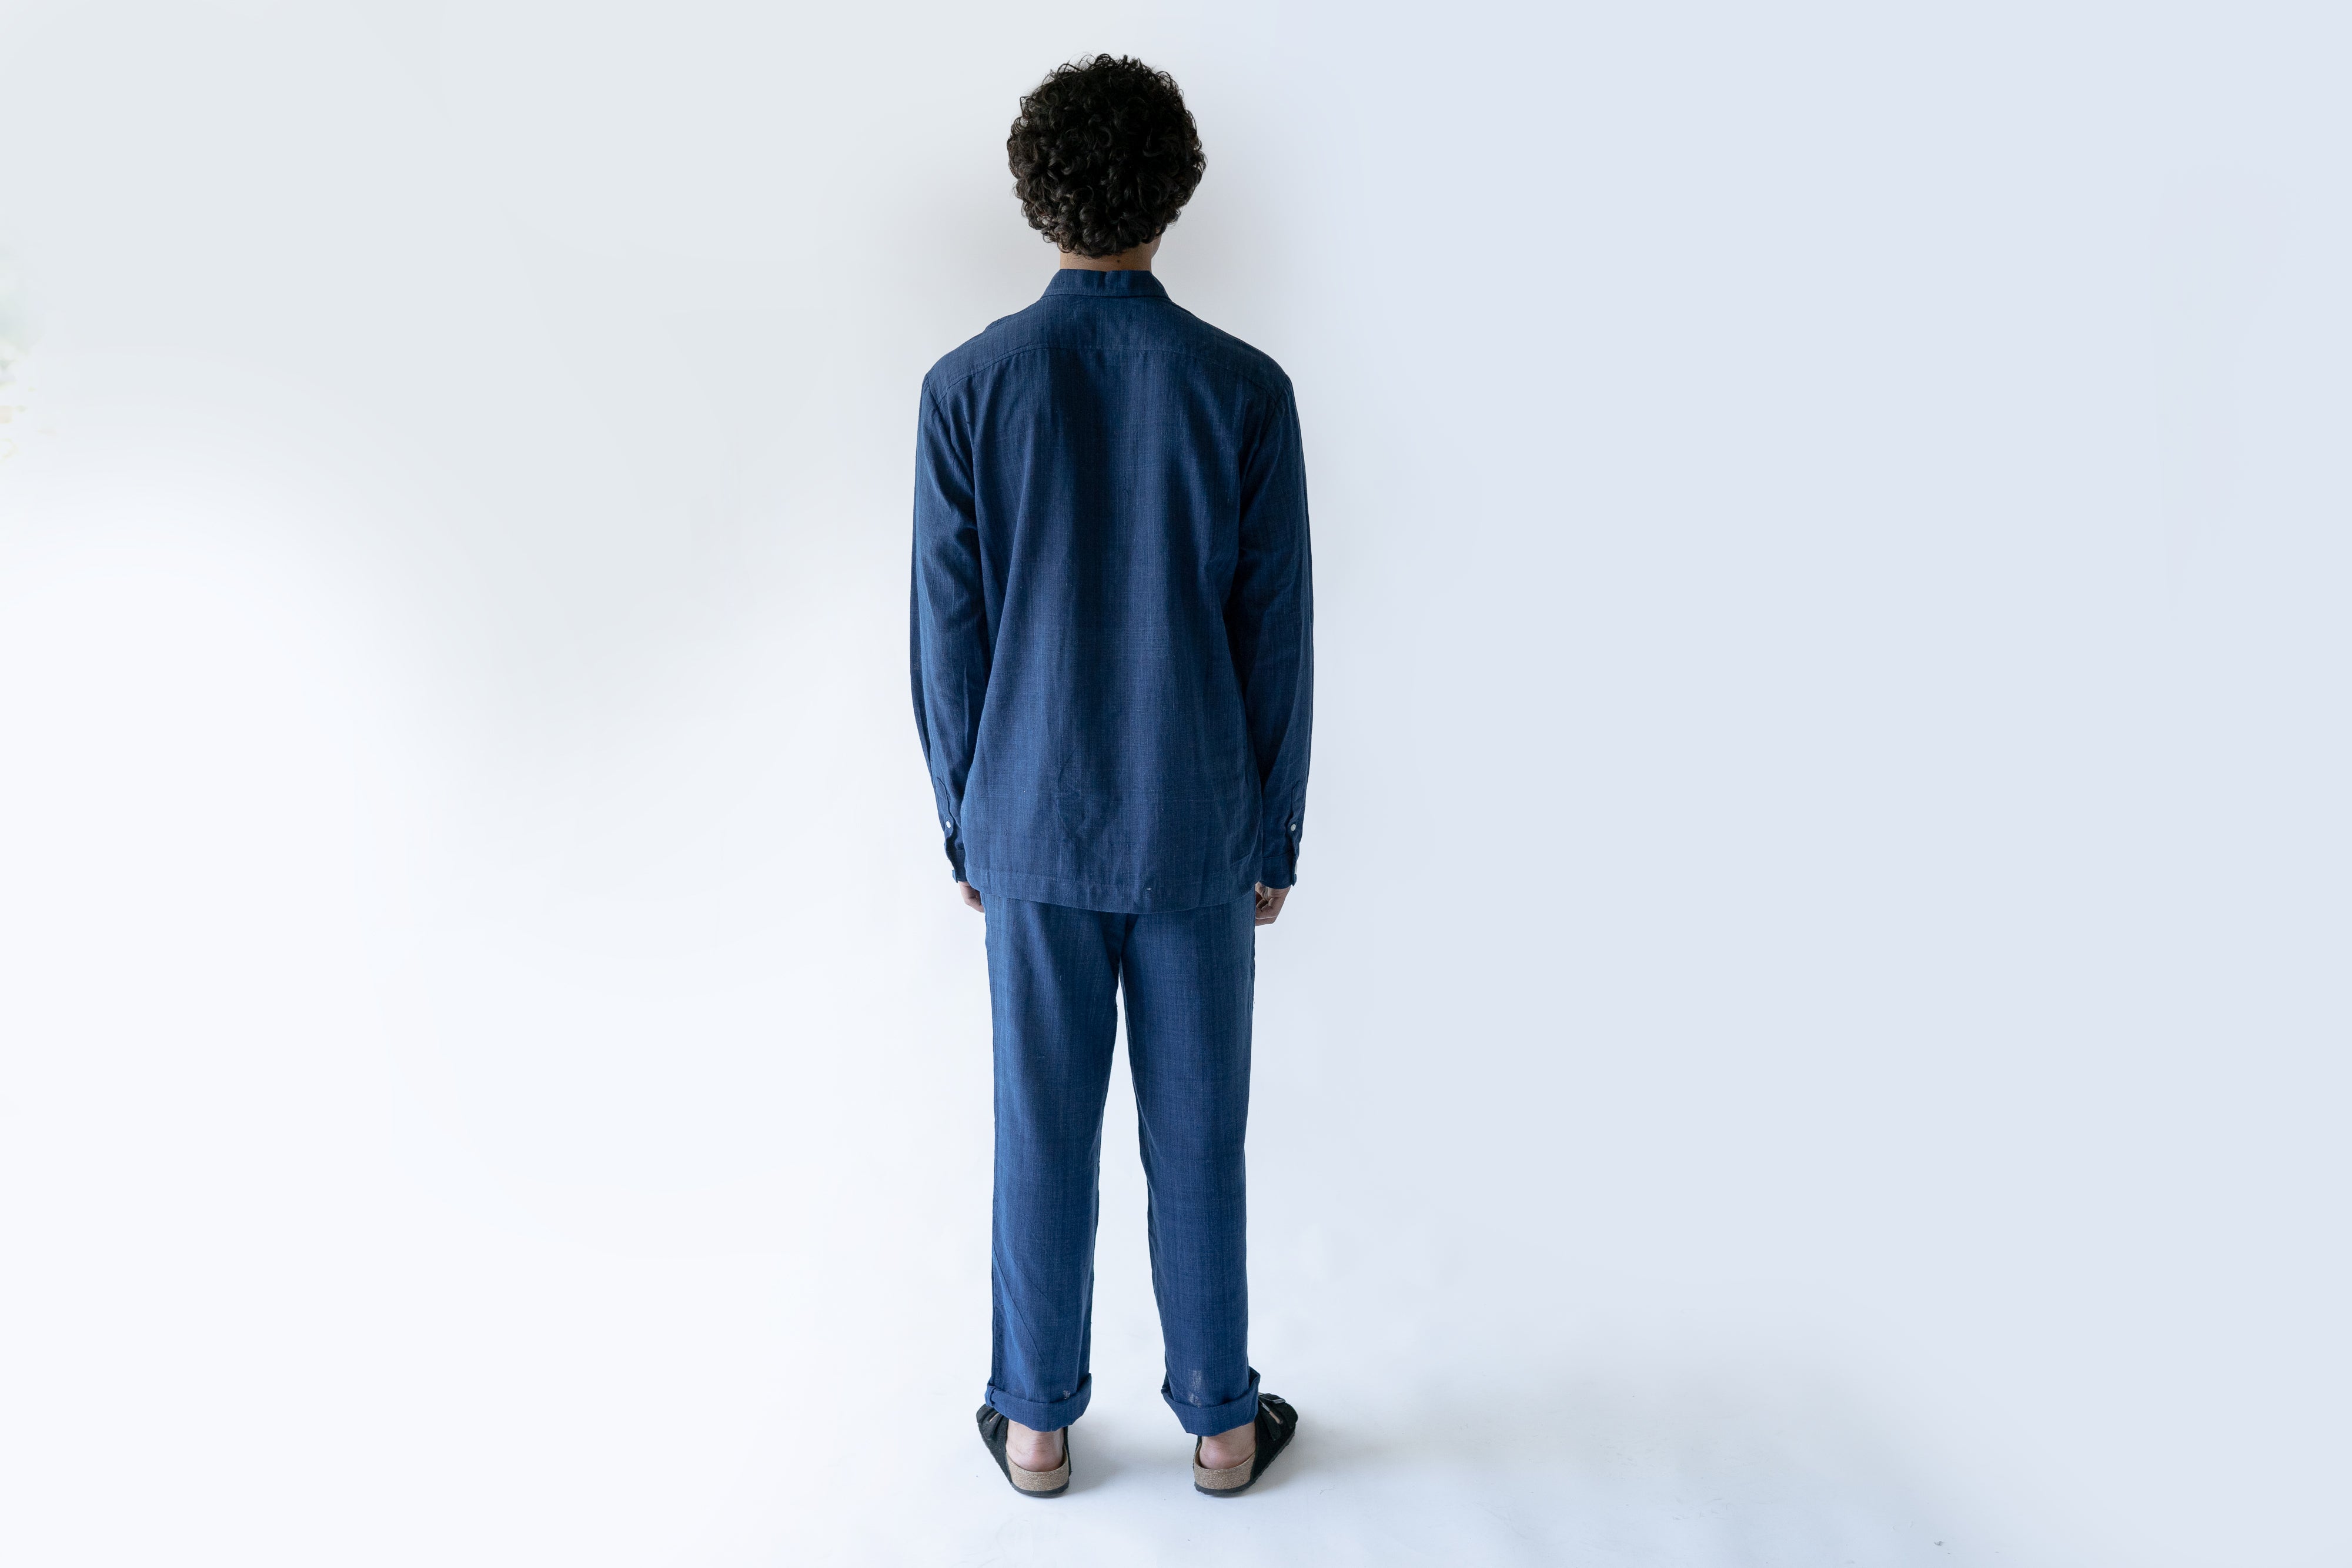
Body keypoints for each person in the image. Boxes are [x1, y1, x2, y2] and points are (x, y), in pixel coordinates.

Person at [910, 55, 1313, 1500]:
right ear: (1172, 190)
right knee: (1198, 1130)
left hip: (1028, 813)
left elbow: (945, 632)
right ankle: (1220, 1422)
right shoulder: (1242, 389)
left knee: (1040, 1126)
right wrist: (1275, 829)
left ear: (1038, 193)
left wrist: (963, 816)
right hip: (1195, 816)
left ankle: (1033, 1424)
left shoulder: (966, 388)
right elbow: (1277, 634)